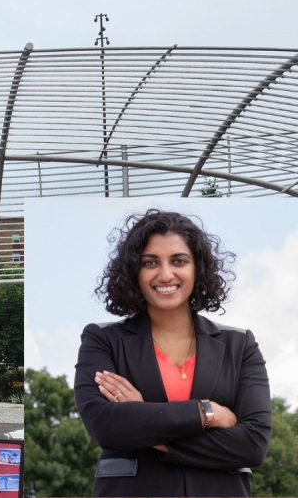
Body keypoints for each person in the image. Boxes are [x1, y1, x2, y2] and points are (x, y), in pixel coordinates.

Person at [74, 209, 271, 497]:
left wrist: (144, 421)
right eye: (150, 262)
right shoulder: (103, 339)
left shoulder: (240, 345)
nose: (165, 274)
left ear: (197, 268)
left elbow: (253, 445)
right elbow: (105, 426)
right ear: (134, 271)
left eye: (179, 261)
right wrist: (207, 412)